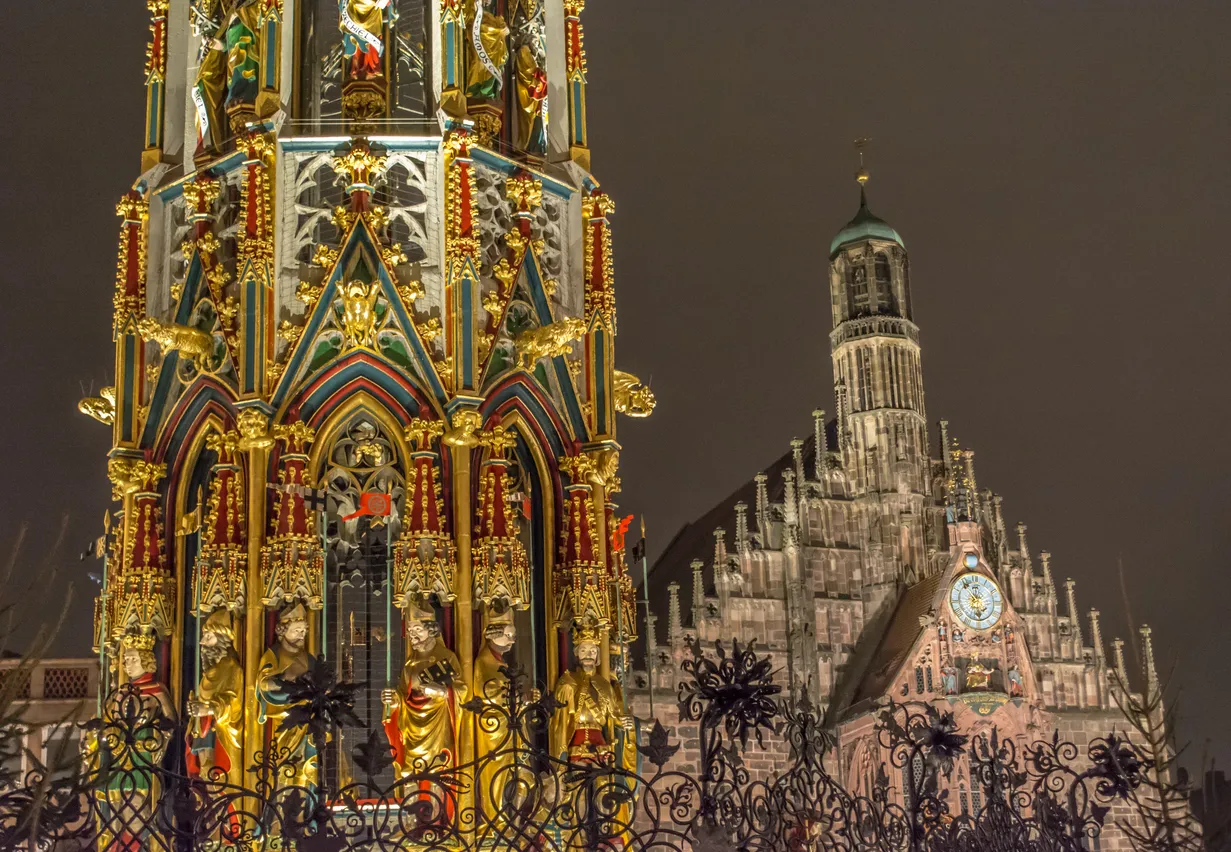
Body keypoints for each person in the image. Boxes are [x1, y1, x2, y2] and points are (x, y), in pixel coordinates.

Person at [256, 602, 317, 790]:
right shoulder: (274, 654)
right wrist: (284, 680)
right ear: (282, 630)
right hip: (284, 720)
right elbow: (263, 683)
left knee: (306, 767)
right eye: (297, 630)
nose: (302, 635)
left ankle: (305, 807)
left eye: (304, 631)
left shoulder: (309, 658)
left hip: (308, 721)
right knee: (285, 766)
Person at [186, 610, 244, 788]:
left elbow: (234, 701)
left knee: (216, 776)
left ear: (221, 638)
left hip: (219, 729)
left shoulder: (231, 668)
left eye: (208, 637)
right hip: (203, 727)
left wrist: (208, 709)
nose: (203, 643)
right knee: (203, 774)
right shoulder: (212, 669)